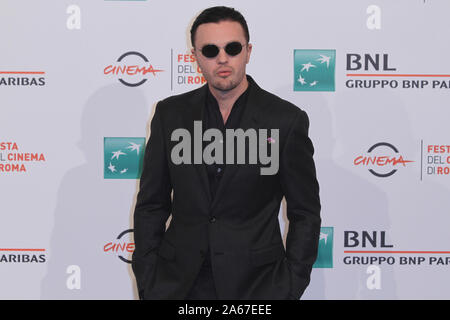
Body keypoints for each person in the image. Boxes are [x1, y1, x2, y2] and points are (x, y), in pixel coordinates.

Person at [132, 6, 321, 300]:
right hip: (177, 285)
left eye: (232, 48)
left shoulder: (285, 121)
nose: (222, 58)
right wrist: (149, 279)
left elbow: (305, 213)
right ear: (195, 56)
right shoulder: (170, 115)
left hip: (257, 287)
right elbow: (151, 205)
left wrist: (289, 285)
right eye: (210, 50)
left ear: (248, 51)